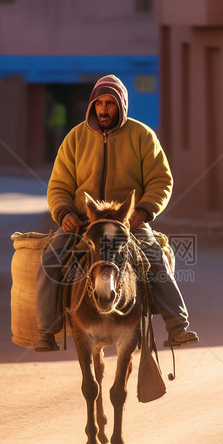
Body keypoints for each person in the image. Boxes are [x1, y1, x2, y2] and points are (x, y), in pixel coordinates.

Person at [33, 74, 199, 352]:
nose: (104, 109)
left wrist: (144, 211)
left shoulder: (143, 136)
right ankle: (46, 331)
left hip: (128, 221)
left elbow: (161, 180)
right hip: (85, 222)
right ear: (92, 105)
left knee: (155, 261)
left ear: (121, 104)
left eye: (110, 103)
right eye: (99, 103)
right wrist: (63, 213)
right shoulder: (75, 138)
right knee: (50, 259)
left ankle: (177, 326)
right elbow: (59, 185)